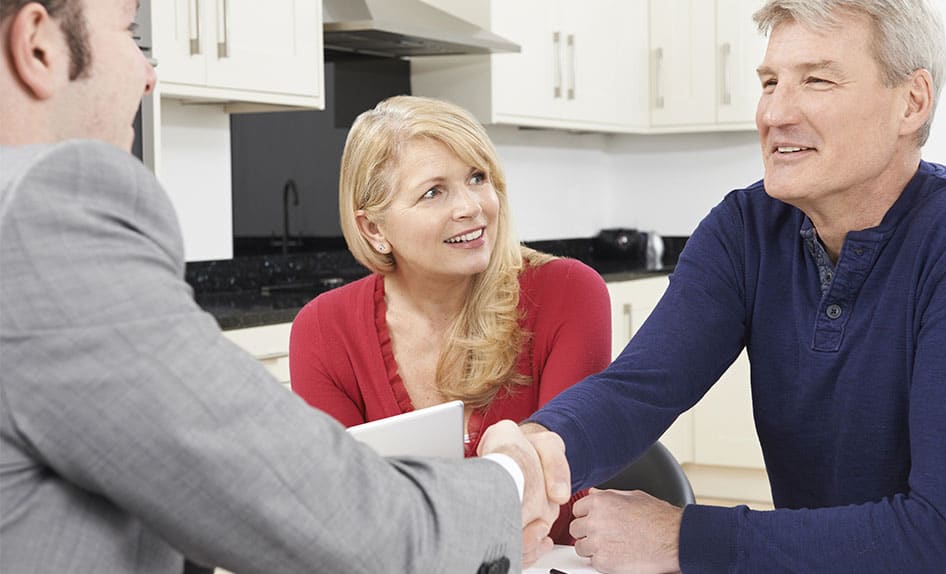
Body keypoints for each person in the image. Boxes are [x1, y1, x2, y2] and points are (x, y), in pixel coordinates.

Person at [0, 1, 571, 572]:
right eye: (129, 31)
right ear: (38, 45)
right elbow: (323, 512)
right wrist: (506, 476)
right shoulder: (42, 209)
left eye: (476, 179)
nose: (149, 72)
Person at [519, 0, 946, 572]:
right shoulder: (745, 229)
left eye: (816, 80)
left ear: (911, 102)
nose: (774, 113)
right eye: (769, 82)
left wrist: (684, 538)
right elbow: (639, 389)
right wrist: (539, 449)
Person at [289, 95, 612, 546]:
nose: (471, 207)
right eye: (433, 192)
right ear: (373, 230)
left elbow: (556, 489)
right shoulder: (323, 329)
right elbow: (340, 510)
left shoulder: (569, 294)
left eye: (478, 178)